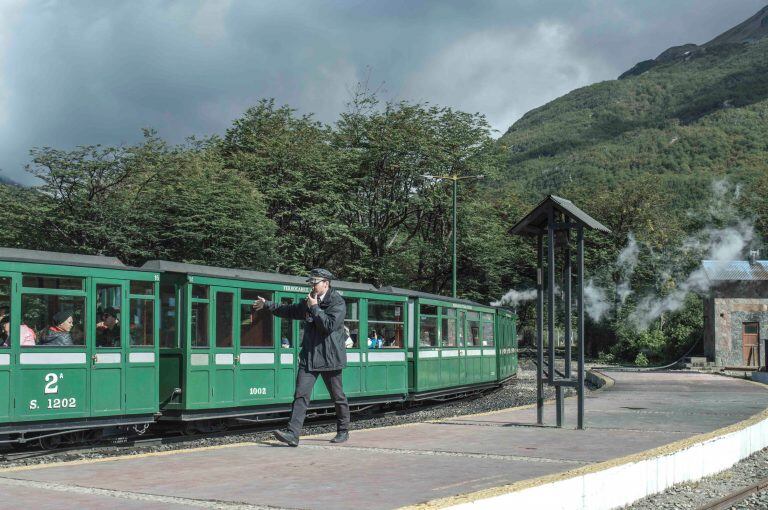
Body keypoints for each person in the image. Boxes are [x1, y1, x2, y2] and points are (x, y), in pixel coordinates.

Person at [253, 268, 350, 447]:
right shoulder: (310, 301)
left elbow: (328, 326)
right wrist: (267, 305)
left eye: (315, 282)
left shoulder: (337, 302)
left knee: (338, 397)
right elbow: (289, 310)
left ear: (326, 283)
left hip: (330, 358)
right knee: (300, 395)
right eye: (311, 282)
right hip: (309, 357)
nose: (312, 285)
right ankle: (293, 434)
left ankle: (343, 430)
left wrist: (314, 307)